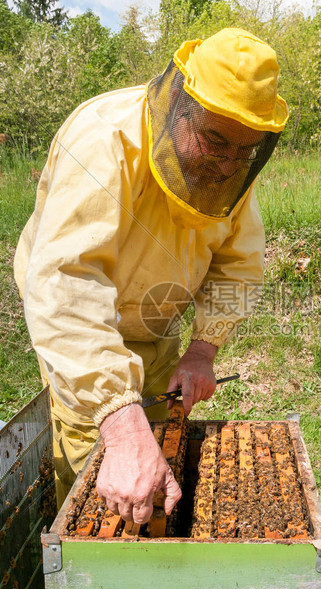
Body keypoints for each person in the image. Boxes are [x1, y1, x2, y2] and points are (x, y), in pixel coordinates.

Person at [14, 28, 288, 524]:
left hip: (158, 329)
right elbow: (66, 283)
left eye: (244, 151)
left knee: (159, 448)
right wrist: (118, 421)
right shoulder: (104, 141)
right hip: (84, 338)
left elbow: (237, 263)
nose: (228, 164)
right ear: (179, 104)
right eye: (215, 141)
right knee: (100, 484)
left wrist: (204, 349)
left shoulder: (229, 174)